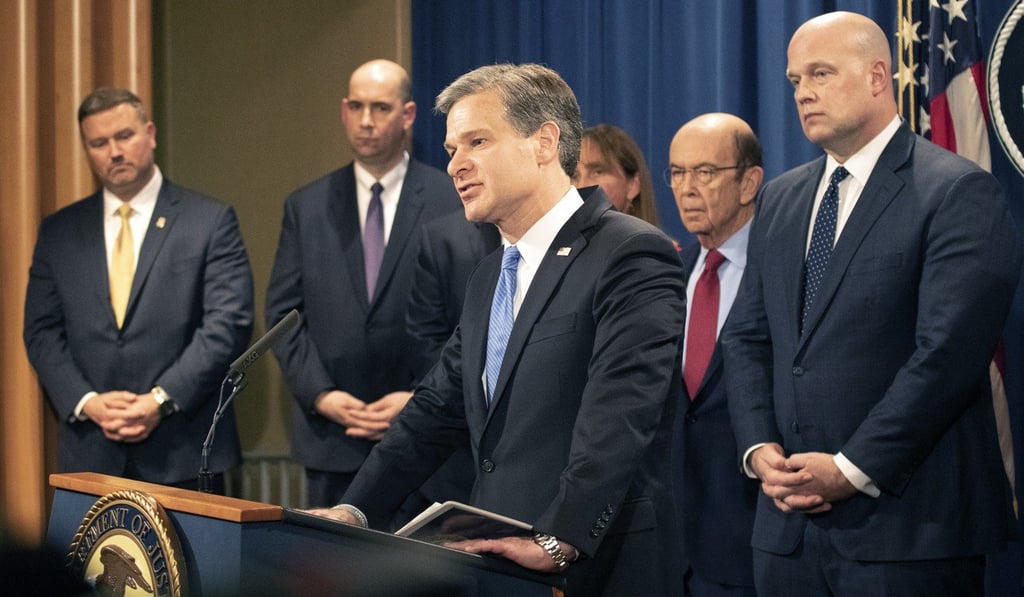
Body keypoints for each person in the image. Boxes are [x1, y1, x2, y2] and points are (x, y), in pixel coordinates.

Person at [306, 63, 686, 596]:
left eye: (476, 142)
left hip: (597, 568)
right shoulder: (490, 274)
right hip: (498, 564)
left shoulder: (629, 253)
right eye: (450, 150)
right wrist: (354, 509)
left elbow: (620, 414)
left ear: (544, 142)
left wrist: (561, 538)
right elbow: (435, 409)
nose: (456, 165)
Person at [721, 12, 1022, 595]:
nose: (803, 92)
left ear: (878, 76)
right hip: (786, 534)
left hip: (909, 532)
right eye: (794, 80)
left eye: (820, 74)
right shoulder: (780, 200)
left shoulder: (955, 190)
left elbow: (947, 358)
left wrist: (850, 468)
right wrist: (760, 449)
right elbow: (747, 337)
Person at [23, 87, 254, 491]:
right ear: (87, 149)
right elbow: (41, 332)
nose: (114, 151)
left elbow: (227, 324)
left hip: (184, 449)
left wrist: (160, 399)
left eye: (124, 136)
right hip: (91, 452)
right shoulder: (59, 232)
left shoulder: (209, 221)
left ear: (150, 133)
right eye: (99, 143)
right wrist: (88, 401)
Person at [264, 59, 461, 509]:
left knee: (416, 578)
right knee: (333, 577)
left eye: (380, 108)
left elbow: (471, 315)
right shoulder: (306, 206)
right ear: (343, 110)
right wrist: (321, 394)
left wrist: (420, 396)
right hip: (332, 435)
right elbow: (283, 315)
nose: (366, 121)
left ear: (408, 115)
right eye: (356, 107)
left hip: (426, 435)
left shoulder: (449, 197)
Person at [667, 113, 762, 596]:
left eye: (704, 172)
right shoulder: (668, 273)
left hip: (751, 539)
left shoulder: (783, 269)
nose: (686, 188)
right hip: (672, 546)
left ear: (749, 182)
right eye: (677, 173)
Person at [573, 123, 660, 226]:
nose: (581, 187)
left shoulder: (655, 242)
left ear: (633, 186)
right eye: (574, 176)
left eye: (597, 172)